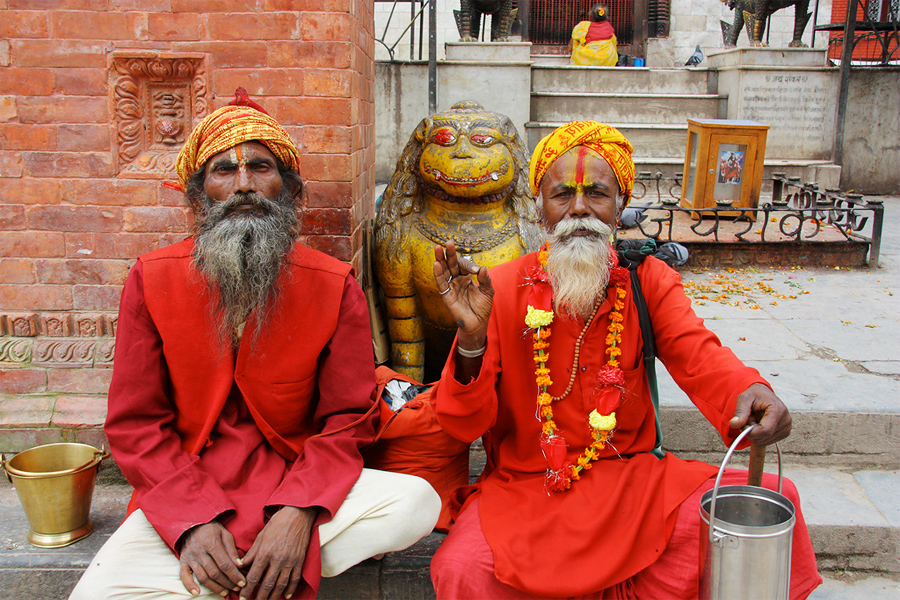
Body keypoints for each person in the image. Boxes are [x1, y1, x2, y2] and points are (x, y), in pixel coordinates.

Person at [70, 90, 441, 600]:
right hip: (189, 484)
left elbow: (349, 418)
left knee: (417, 502)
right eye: (223, 170)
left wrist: (298, 514)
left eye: (261, 167)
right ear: (199, 193)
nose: (244, 184)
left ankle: (245, 568)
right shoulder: (152, 280)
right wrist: (193, 522)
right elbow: (135, 425)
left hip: (294, 481)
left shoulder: (333, 285)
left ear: (289, 188)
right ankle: (246, 567)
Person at [428, 121, 822, 599]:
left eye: (595, 192)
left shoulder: (646, 280)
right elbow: (457, 421)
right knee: (461, 567)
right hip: (528, 486)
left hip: (631, 483)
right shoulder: (501, 288)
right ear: (540, 211)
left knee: (771, 505)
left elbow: (698, 353)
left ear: (620, 207)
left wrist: (749, 392)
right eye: (561, 195)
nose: (578, 208)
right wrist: (471, 339)